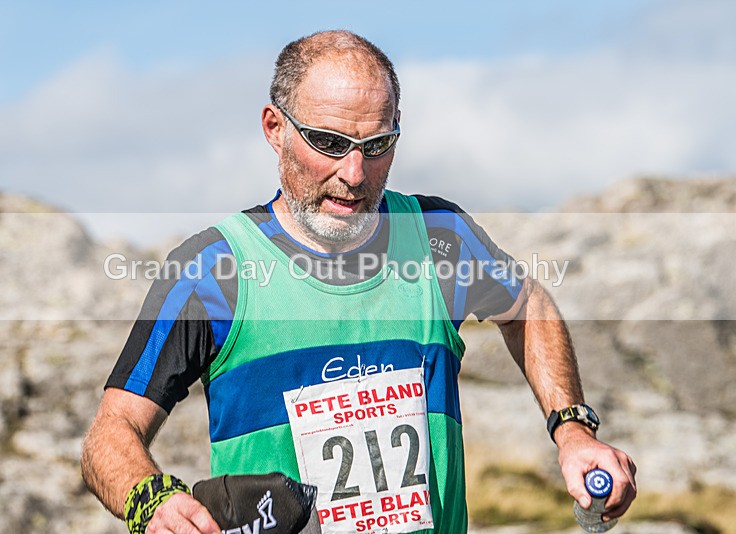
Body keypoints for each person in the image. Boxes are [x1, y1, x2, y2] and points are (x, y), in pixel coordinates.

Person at [81, 30, 637, 533]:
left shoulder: (438, 238)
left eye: (377, 147)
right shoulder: (212, 270)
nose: (354, 175)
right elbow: (110, 434)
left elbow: (527, 306)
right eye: (327, 143)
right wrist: (149, 502)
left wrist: (572, 429)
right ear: (274, 129)